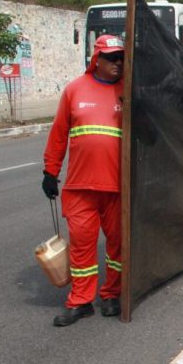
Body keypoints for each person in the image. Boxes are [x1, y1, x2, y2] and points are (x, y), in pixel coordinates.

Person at [42, 34, 125, 327]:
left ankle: (112, 294)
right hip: (80, 188)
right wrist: (50, 172)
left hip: (118, 188)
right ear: (97, 60)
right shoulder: (75, 90)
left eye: (121, 58)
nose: (118, 63)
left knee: (118, 246)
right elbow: (58, 133)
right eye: (112, 58)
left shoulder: (128, 92)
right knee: (81, 246)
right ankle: (81, 301)